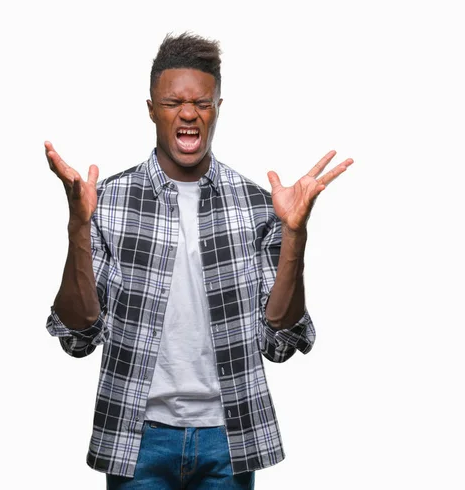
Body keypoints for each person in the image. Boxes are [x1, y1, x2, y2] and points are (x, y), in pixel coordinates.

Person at [45, 31, 353, 489]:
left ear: (216, 109)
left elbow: (279, 341)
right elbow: (78, 335)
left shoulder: (255, 205)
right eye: (172, 102)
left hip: (227, 439)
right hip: (137, 438)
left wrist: (294, 233)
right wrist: (77, 227)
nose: (188, 112)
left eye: (201, 103)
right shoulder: (106, 201)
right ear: (151, 109)